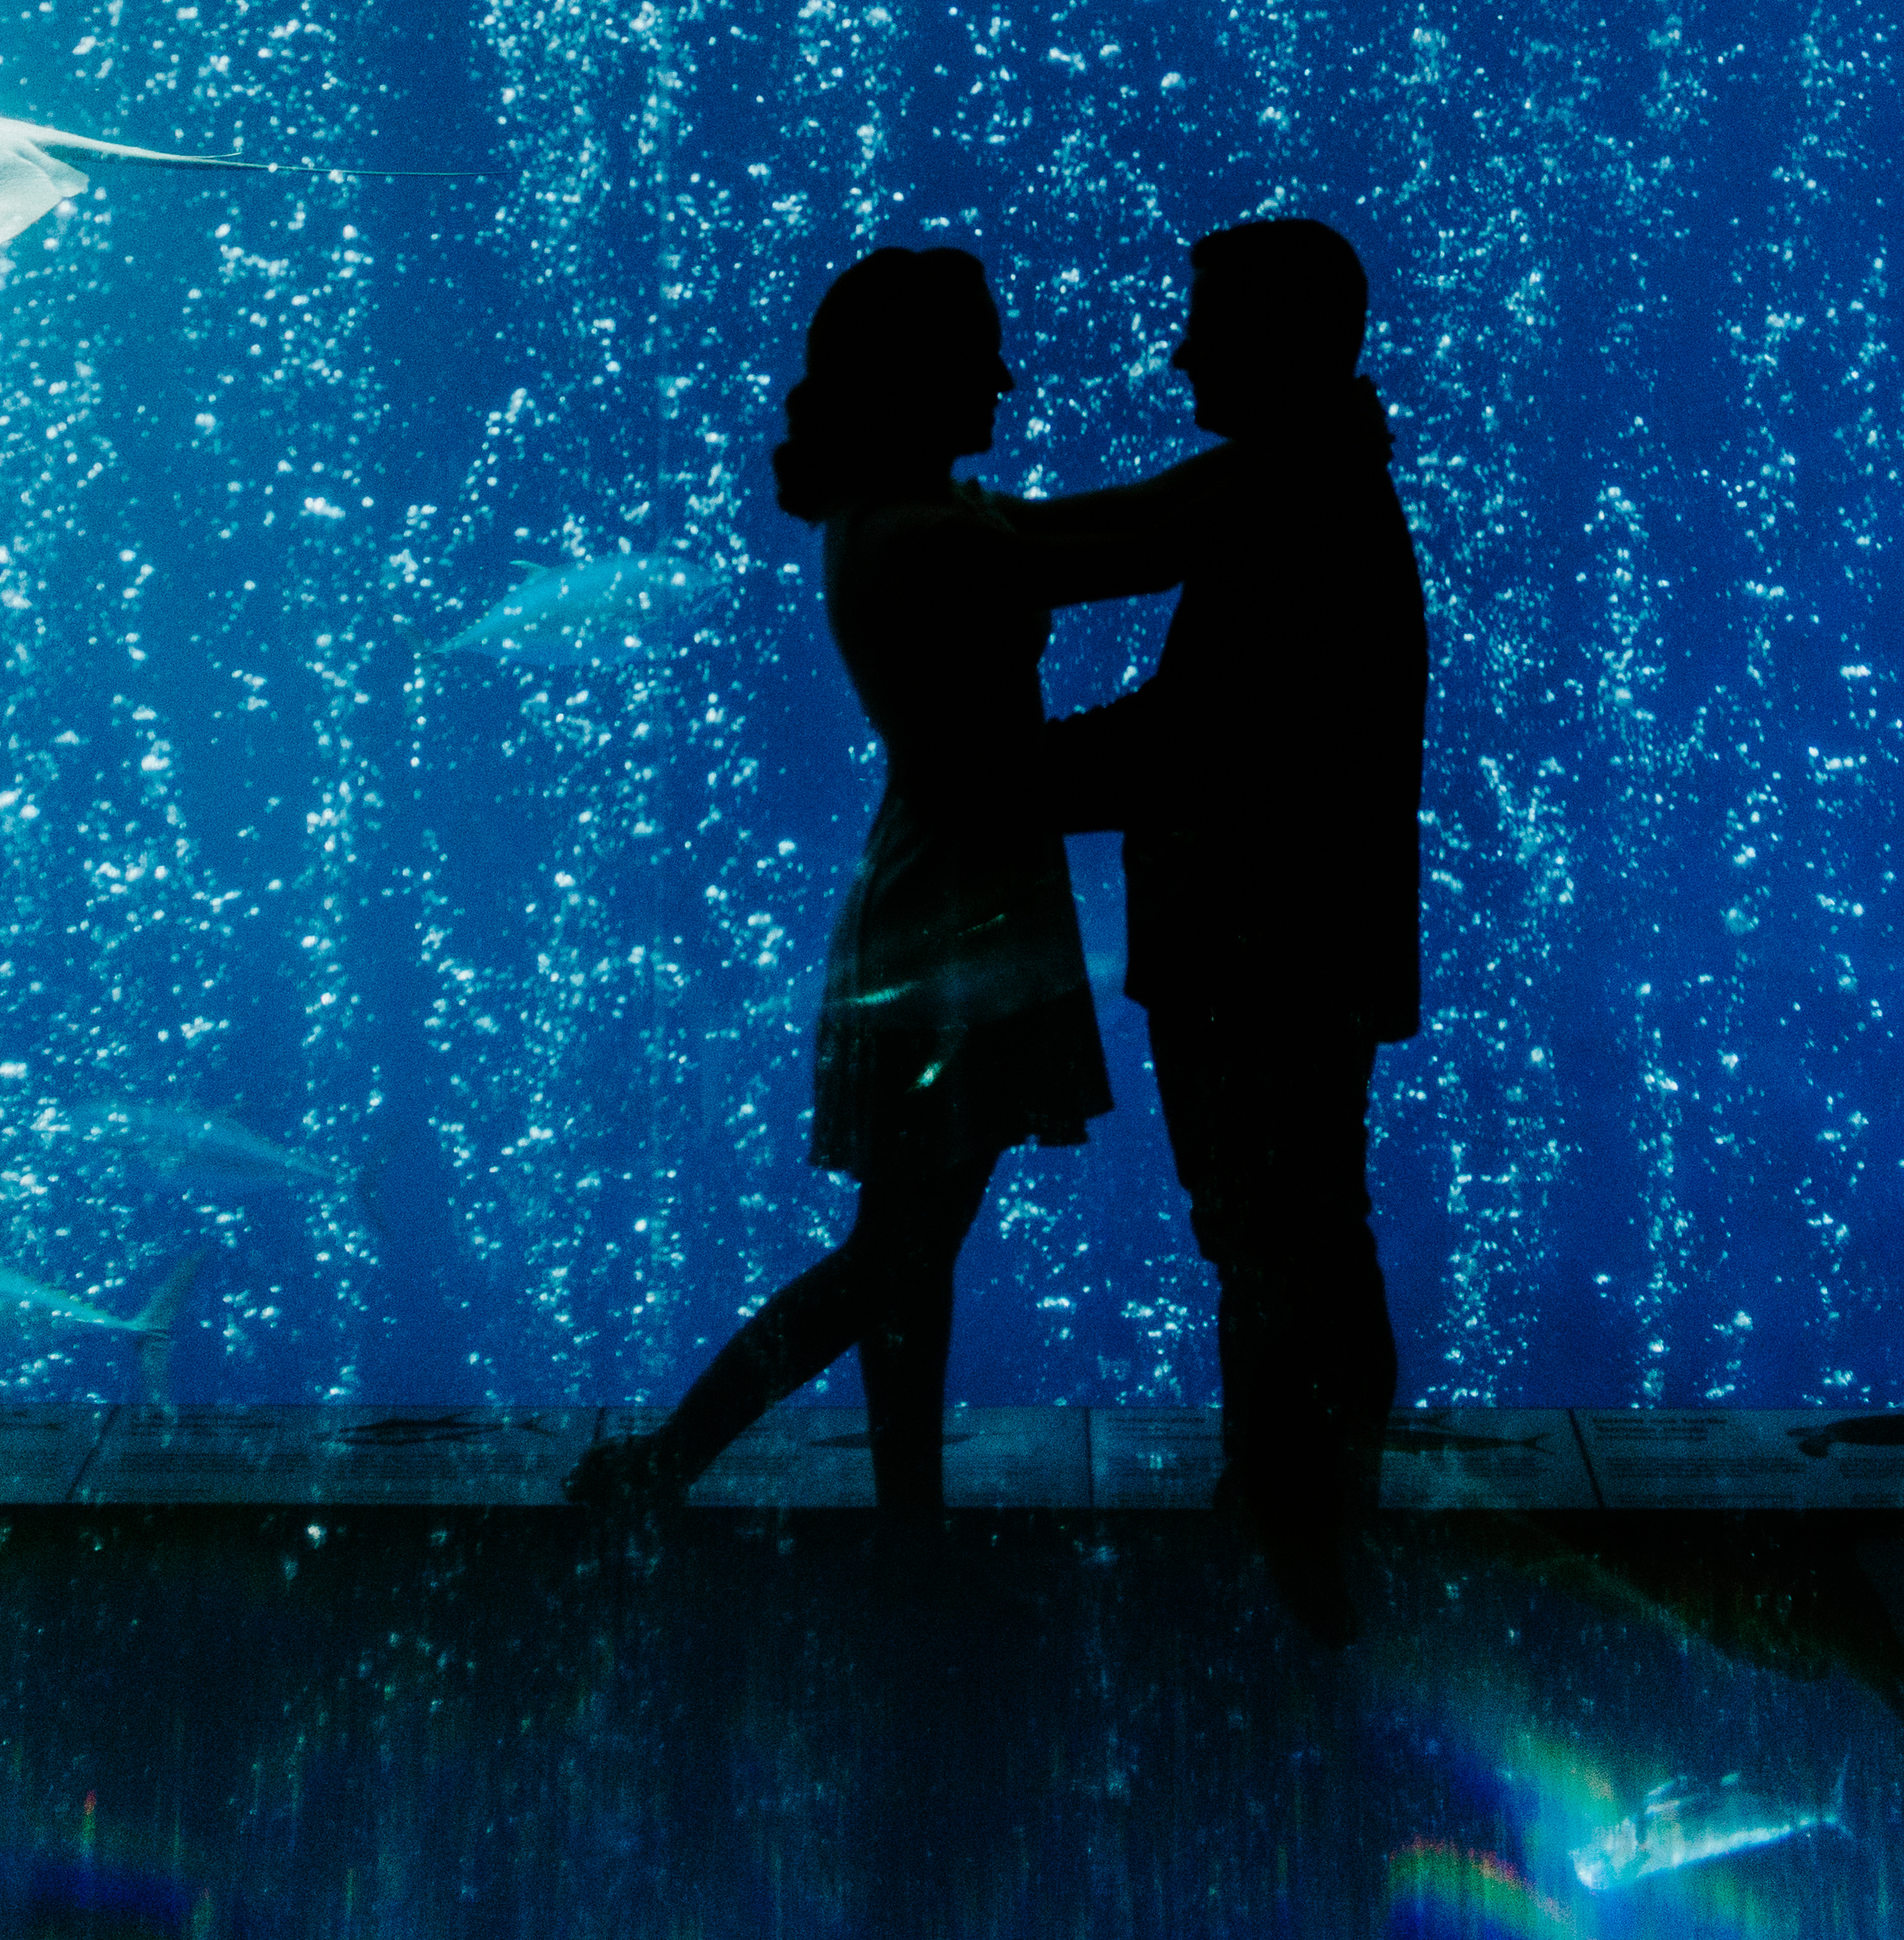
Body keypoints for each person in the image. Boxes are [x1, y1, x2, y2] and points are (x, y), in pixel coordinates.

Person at [570, 245, 1179, 1516]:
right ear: (916, 375)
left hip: (952, 910)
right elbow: (1124, 549)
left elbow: (1114, 528)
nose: (1008, 377)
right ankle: (670, 1464)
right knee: (893, 1256)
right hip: (954, 932)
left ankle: (893, 1505)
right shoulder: (918, 537)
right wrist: (1288, 481)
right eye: (979, 353)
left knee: (908, 1252)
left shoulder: (910, 519)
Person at [1048, 217, 1427, 1643]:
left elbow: (1178, 731)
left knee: (1286, 1238)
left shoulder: (1288, 494)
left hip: (1262, 948)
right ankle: (1300, 1522)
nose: (1180, 347)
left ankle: (1312, 1560)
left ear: (1276, 340)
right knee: (1288, 1233)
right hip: (1290, 946)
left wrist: (989, 775)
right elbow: (1112, 571)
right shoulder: (1312, 479)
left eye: (1207, 322)